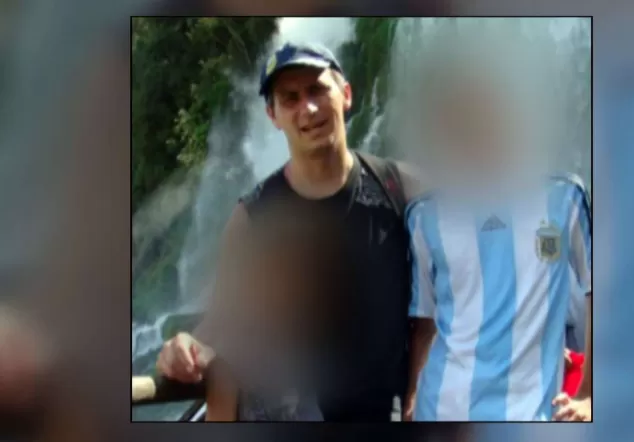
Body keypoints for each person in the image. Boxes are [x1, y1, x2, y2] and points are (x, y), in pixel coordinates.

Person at [156, 42, 427, 422]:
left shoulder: (399, 188)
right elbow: (220, 322)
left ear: (346, 94)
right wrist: (183, 346)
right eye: (290, 98)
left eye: (317, 90)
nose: (308, 109)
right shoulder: (254, 218)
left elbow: (459, 280)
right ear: (273, 115)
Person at [402, 38, 592, 421]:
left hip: (531, 414)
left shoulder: (563, 199)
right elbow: (424, 324)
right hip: (441, 411)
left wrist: (588, 394)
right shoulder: (425, 217)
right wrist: (410, 398)